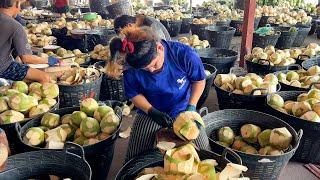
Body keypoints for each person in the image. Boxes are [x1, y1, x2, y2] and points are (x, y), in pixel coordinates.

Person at [110, 26, 210, 162]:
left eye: (154, 65)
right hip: (150, 111)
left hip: (182, 109)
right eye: (145, 69)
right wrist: (151, 111)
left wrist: (191, 108)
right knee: (134, 158)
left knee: (203, 153)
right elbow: (134, 94)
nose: (151, 70)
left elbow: (199, 81)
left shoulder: (183, 54)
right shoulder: (131, 66)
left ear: (160, 48)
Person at [0, 0, 60, 83]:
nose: (20, 9)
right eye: (20, 5)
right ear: (17, 4)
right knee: (44, 77)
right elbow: (26, 58)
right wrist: (48, 60)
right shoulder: (15, 26)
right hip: (2, 67)